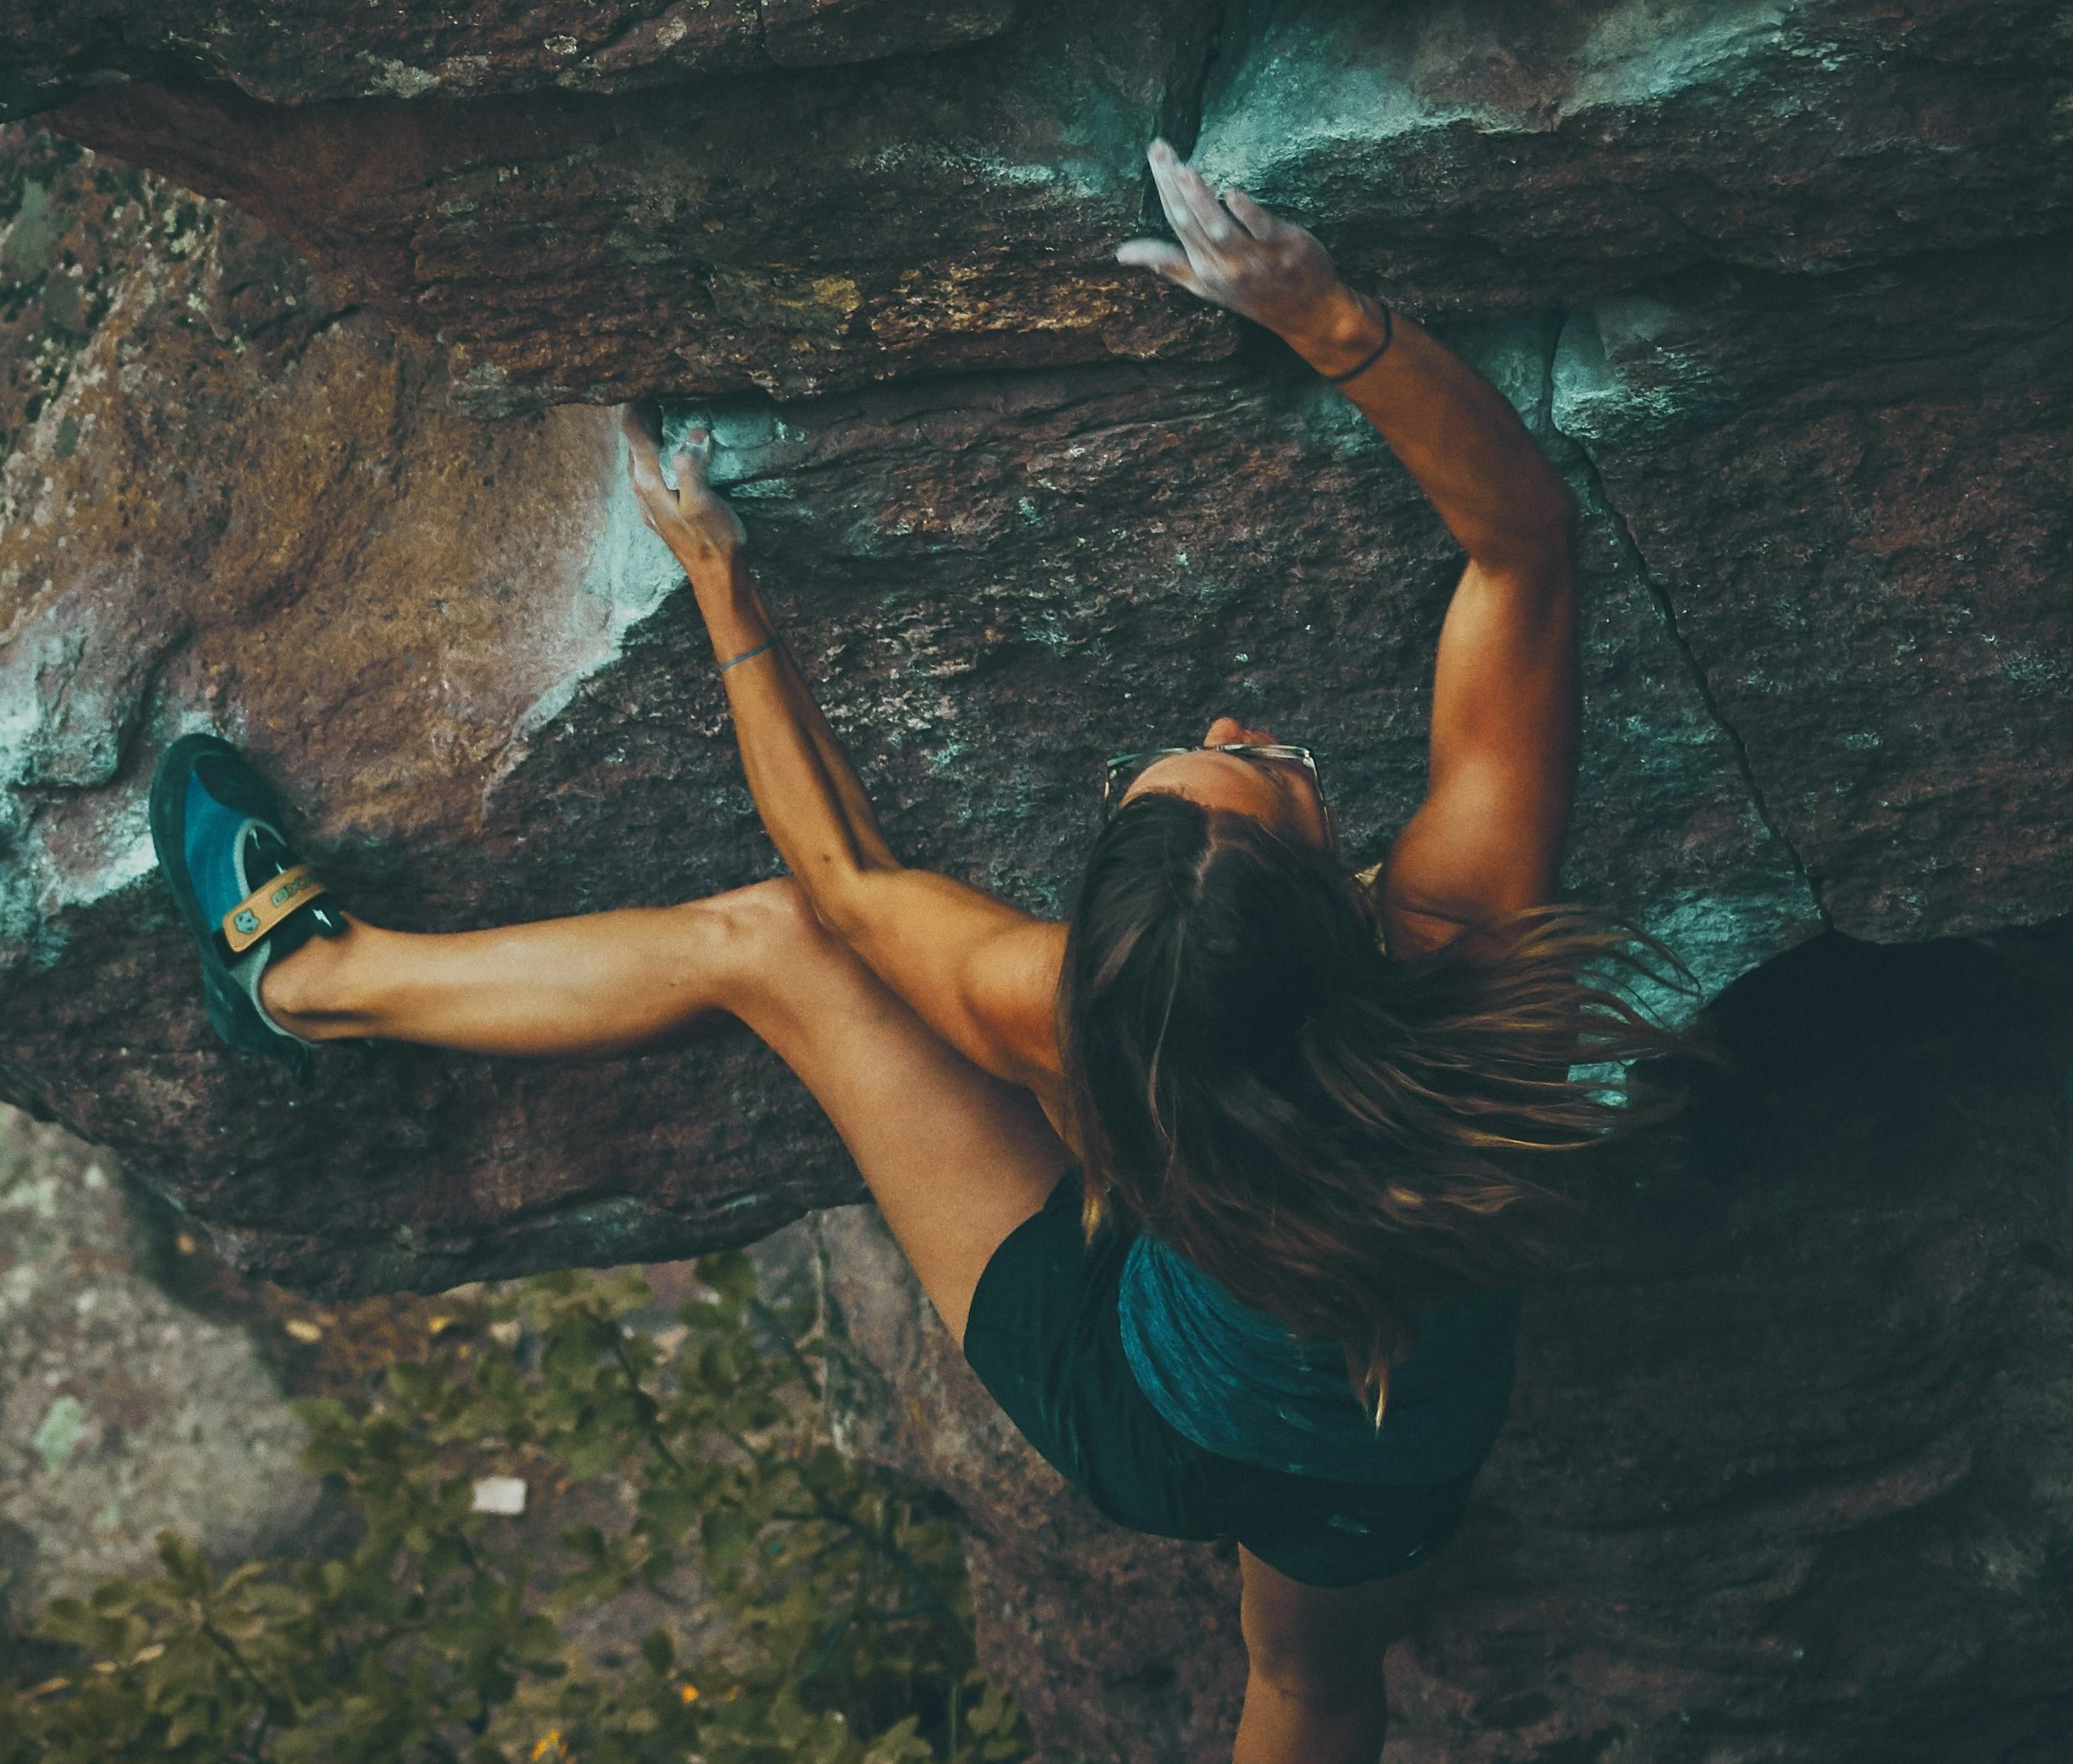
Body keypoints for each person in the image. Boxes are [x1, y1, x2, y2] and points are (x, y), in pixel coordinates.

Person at [149, 139, 1676, 1762]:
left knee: (771, 945)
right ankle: (306, 990)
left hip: (1142, 1408)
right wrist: (1330, 319)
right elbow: (1520, 546)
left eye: (1228, 758)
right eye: (1253, 761)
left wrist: (730, 597)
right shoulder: (1469, 953)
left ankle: (307, 980)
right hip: (1377, 1450)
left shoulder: (1069, 1018)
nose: (1233, 720)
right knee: (1308, 1678)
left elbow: (847, 881)